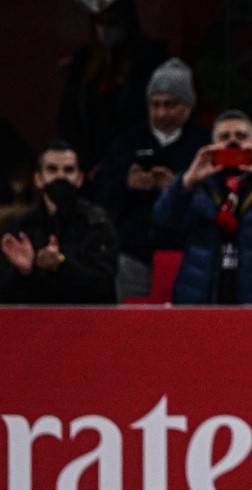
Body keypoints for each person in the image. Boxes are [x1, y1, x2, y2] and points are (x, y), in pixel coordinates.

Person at [152, 109, 252, 304]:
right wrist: (186, 182)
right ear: (212, 146)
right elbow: (164, 219)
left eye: (241, 136)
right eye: (224, 137)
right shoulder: (198, 187)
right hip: (201, 302)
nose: (233, 142)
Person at [91, 57, 208, 301]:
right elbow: (98, 196)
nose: (161, 112)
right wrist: (126, 184)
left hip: (188, 256)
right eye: (155, 105)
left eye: (170, 104)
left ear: (188, 106)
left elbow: (216, 201)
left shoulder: (203, 146)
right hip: (134, 254)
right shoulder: (127, 143)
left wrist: (178, 189)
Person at [57, 0, 169, 175]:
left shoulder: (150, 58)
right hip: (89, 170)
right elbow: (68, 118)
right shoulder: (83, 60)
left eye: (110, 21)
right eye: (99, 21)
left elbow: (153, 118)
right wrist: (85, 163)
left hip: (133, 168)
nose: (104, 29)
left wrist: (120, 164)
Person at [0, 140, 117, 304]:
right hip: (34, 321)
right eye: (52, 169)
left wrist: (60, 264)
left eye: (68, 170)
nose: (60, 176)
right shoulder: (21, 225)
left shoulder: (98, 223)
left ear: (80, 179)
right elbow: (5, 293)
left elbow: (103, 288)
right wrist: (23, 272)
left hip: (87, 321)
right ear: (38, 179)